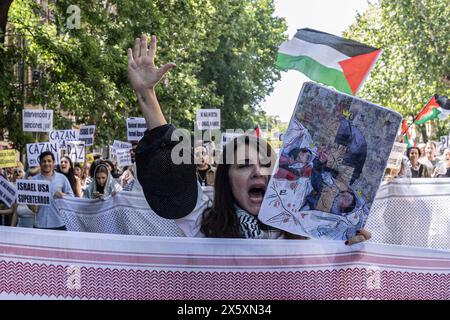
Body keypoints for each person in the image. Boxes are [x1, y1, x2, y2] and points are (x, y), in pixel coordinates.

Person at [128, 34, 370, 245]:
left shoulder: (307, 232)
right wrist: (146, 94)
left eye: (266, 164)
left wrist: (349, 245)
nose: (257, 171)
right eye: (243, 165)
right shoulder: (206, 227)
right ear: (226, 180)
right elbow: (168, 173)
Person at [31, 151, 74, 230]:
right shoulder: (34, 180)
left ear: (53, 162)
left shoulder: (62, 178)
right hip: (40, 224)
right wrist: (32, 206)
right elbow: (30, 203)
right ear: (40, 163)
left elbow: (72, 198)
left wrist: (62, 195)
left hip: (59, 224)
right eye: (43, 161)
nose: (46, 163)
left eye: (49, 161)